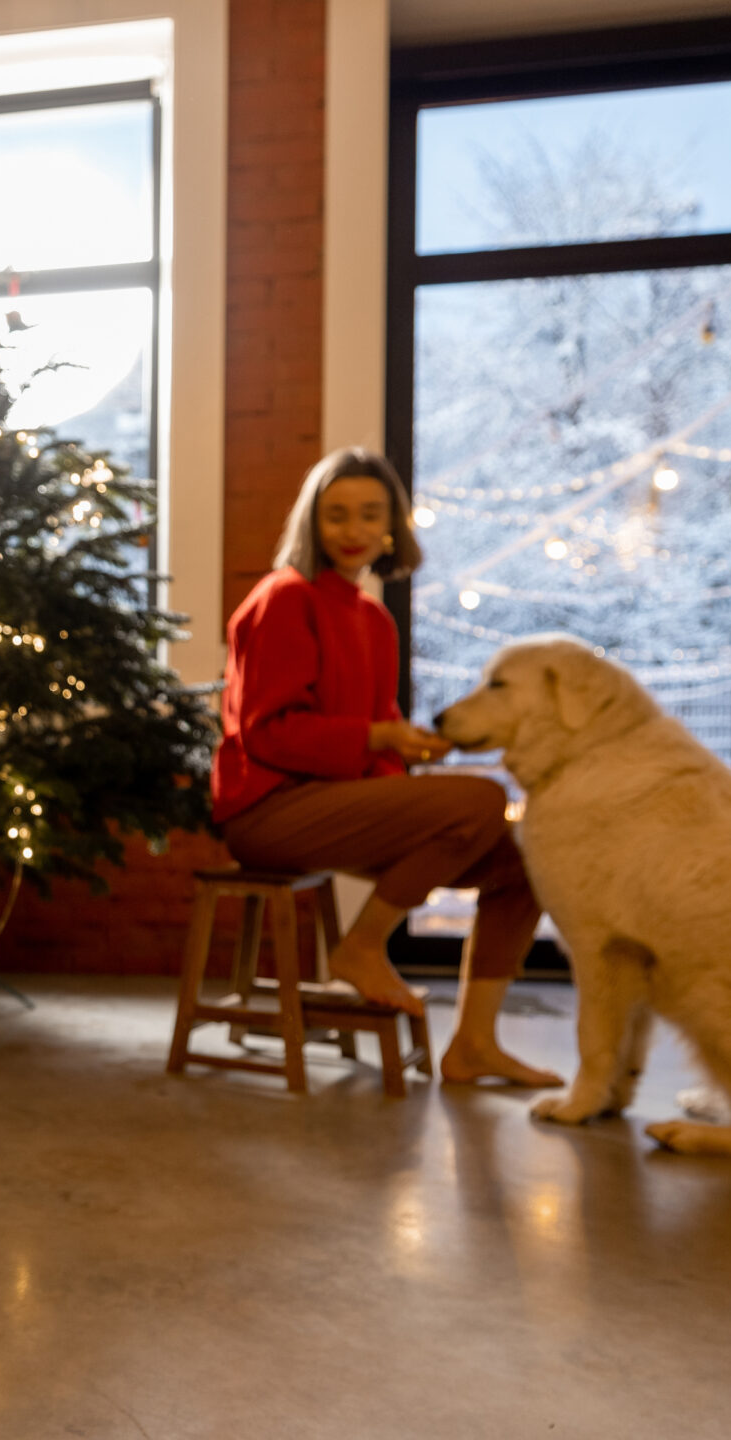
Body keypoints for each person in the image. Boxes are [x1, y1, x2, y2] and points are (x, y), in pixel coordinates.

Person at [211, 447, 561, 1088]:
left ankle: (475, 1045)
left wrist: (405, 751)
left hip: (333, 806)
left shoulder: (373, 619)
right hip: (268, 810)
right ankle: (363, 946)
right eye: (336, 515)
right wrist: (379, 738)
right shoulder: (284, 599)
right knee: (479, 800)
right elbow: (267, 734)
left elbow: (371, 745)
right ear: (310, 524)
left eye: (369, 515)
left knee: (520, 865)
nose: (353, 531)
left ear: (392, 526)